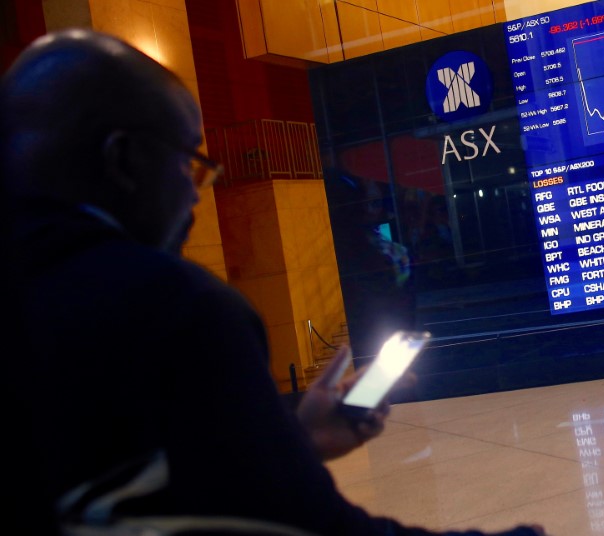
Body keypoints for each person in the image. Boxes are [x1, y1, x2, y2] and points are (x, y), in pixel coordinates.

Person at [0, 29, 546, 536]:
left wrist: (287, 439)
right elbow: (306, 525)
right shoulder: (173, 310)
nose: (196, 193)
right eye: (190, 161)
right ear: (125, 159)